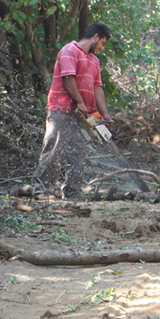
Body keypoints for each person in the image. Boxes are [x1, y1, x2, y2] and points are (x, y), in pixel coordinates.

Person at [33, 22, 112, 200]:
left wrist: (104, 113)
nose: (101, 48)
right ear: (95, 37)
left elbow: (98, 88)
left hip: (83, 116)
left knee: (80, 152)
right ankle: (42, 190)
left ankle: (73, 191)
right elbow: (68, 78)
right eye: (102, 43)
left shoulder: (94, 61)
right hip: (61, 109)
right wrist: (80, 102)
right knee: (55, 149)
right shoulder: (70, 51)